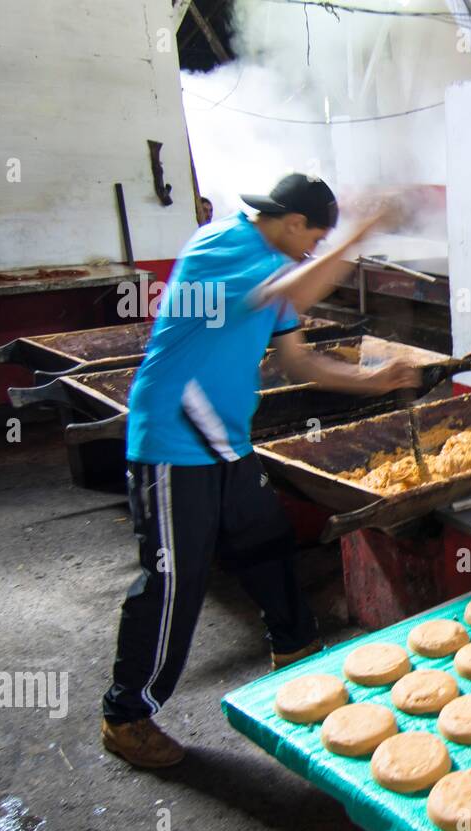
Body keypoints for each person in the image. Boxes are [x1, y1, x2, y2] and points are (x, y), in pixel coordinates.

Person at [101, 173, 422, 769]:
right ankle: (127, 716)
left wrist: (374, 379)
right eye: (316, 239)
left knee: (268, 543)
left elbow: (300, 358)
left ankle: (296, 654)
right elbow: (287, 297)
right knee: (174, 581)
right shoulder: (218, 248)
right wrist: (364, 230)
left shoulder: (274, 263)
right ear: (292, 223)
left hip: (226, 442)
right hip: (174, 440)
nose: (315, 251)